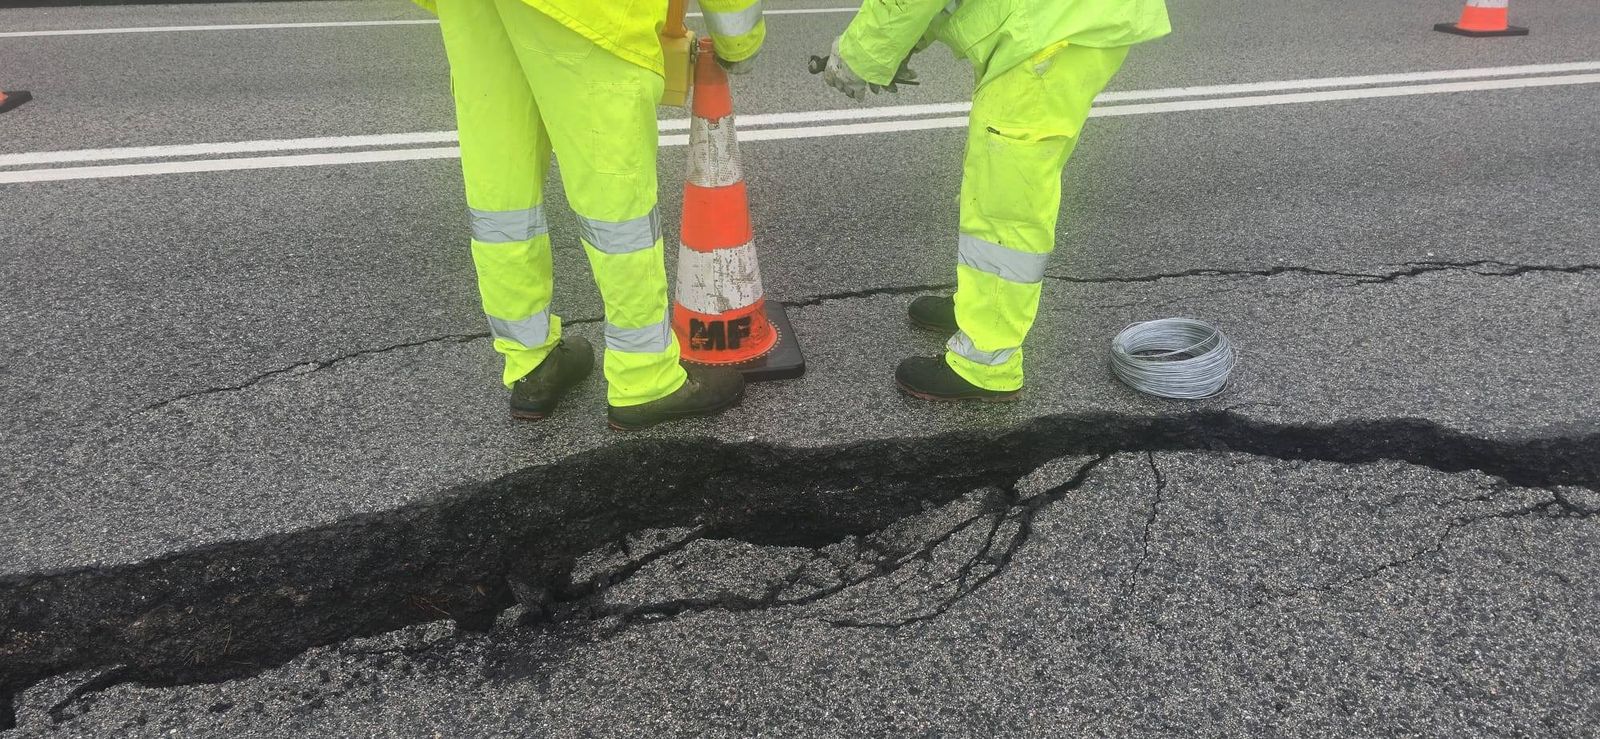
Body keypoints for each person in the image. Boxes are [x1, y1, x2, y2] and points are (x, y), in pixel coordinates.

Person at [413, 0, 765, 429]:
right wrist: (738, 40)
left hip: (475, 10)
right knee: (616, 208)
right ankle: (643, 377)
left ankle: (531, 365)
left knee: (501, 195)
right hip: (586, 13)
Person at [819, 0, 1170, 401]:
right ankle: (978, 308)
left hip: (1049, 29)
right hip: (1054, 21)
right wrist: (907, 40)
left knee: (1006, 200)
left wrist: (862, 54)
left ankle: (985, 362)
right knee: (998, 175)